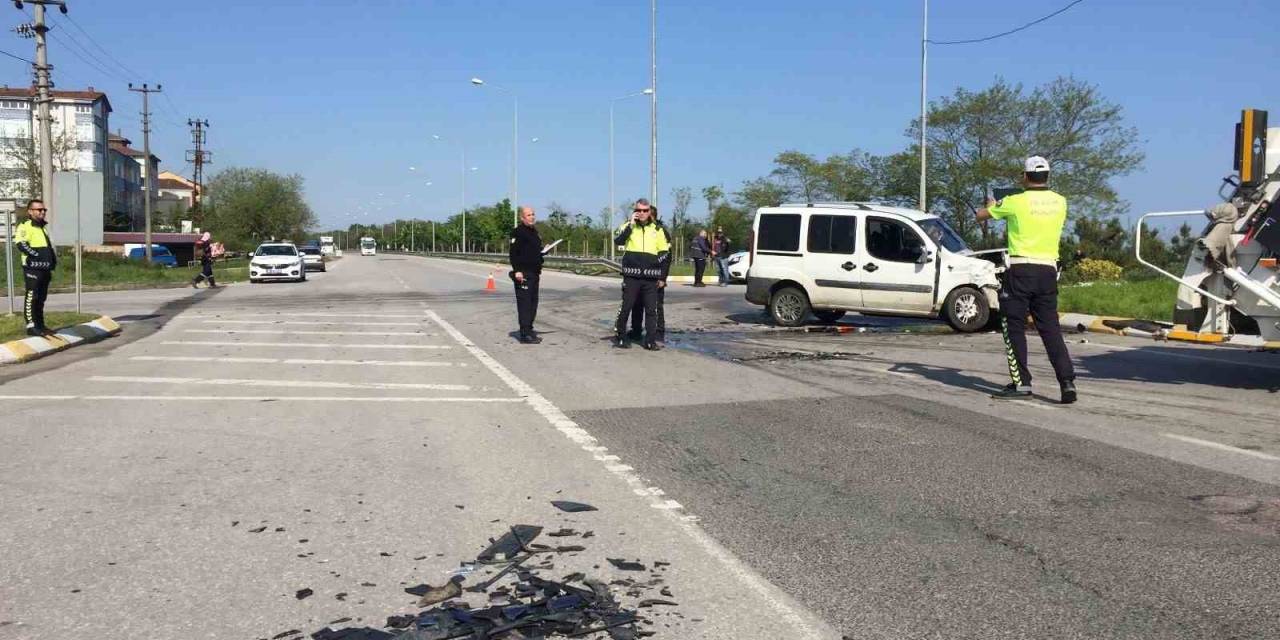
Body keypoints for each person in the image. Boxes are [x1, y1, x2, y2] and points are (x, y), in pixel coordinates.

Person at [977, 156, 1077, 404]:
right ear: (1048, 176)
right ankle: (1067, 383)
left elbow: (981, 215)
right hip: (1048, 272)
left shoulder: (1013, 202)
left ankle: (1021, 383)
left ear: (1024, 176)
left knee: (1013, 327)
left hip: (1021, 270)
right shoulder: (1060, 202)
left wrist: (993, 203)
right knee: (1050, 329)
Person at [613, 198, 670, 350]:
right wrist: (631, 225)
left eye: (645, 210)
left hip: (651, 278)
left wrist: (662, 276)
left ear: (650, 212)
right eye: (639, 210)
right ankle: (621, 336)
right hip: (631, 277)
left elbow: (665, 253)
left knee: (651, 310)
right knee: (627, 307)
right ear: (635, 211)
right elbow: (618, 241)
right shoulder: (628, 226)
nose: (642, 213)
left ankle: (650, 341)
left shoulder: (658, 229)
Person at [14, 199, 56, 337]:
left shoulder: (42, 227)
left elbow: (47, 247)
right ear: (30, 211)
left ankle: (40, 325)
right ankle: (31, 326)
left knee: (41, 298)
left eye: (44, 210)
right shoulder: (25, 226)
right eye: (39, 210)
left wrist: (51, 261)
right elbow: (21, 244)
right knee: (32, 296)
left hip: (45, 269)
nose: (42, 212)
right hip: (32, 268)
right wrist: (36, 255)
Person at [629, 206, 670, 343]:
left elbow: (666, 257)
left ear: (652, 216)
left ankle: (658, 332)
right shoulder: (637, 228)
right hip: (639, 276)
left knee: (656, 306)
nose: (642, 215)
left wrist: (662, 278)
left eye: (646, 213)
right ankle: (636, 331)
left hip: (655, 276)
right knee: (637, 304)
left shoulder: (660, 231)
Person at [509, 206, 544, 344]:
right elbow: (513, 253)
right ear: (522, 218)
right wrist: (517, 270)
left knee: (533, 303)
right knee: (525, 304)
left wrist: (543, 252)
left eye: (533, 214)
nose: (532, 217)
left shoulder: (534, 232)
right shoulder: (517, 232)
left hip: (535, 273)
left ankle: (530, 330)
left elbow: (534, 251)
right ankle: (524, 334)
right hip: (523, 273)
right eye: (529, 215)